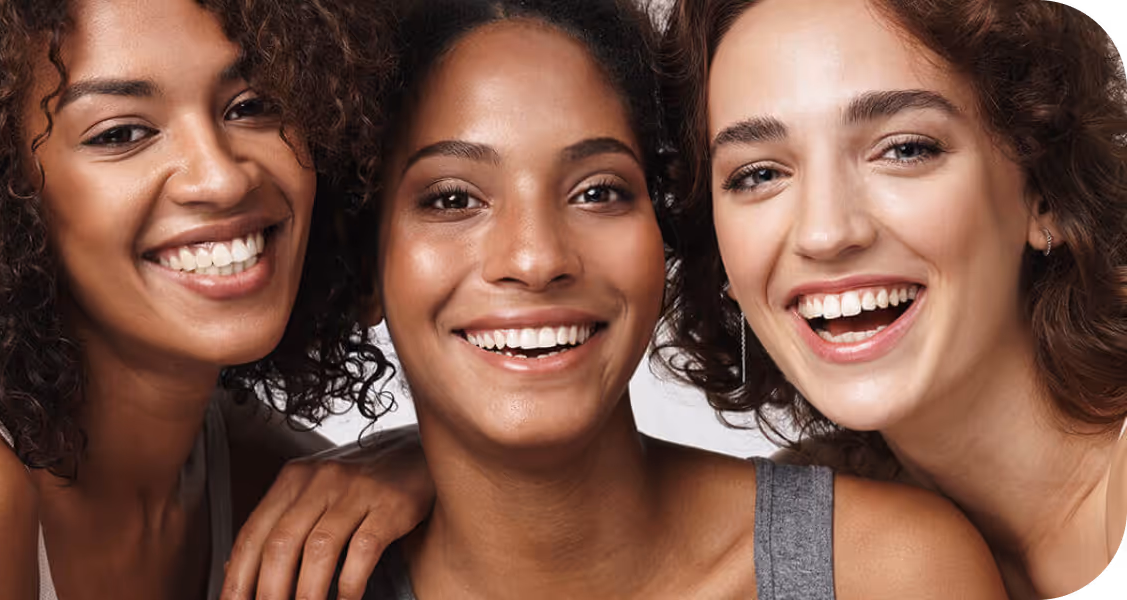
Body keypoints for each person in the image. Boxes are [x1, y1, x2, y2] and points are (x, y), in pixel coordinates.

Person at [330, 0, 1010, 597]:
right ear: (365, 266)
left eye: (598, 191)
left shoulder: (884, 572)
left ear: (669, 235)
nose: (536, 260)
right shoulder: (283, 569)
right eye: (452, 199)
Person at [0, 1, 430, 598]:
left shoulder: (254, 473)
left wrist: (434, 466)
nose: (222, 178)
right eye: (123, 134)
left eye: (252, 106)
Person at [658, 0, 1127, 596]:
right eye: (759, 175)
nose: (825, 234)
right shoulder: (808, 546)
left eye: (905, 149)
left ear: (1044, 192)